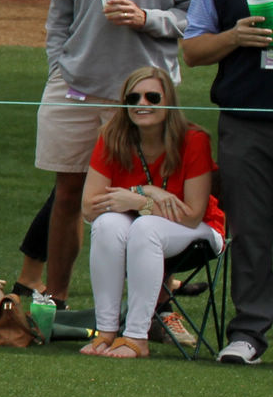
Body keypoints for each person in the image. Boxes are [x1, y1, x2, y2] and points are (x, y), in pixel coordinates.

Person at [29, 0, 198, 306]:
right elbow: (60, 5)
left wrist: (149, 19)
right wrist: (57, 63)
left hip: (145, 93)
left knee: (151, 199)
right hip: (76, 83)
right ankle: (55, 301)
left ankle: (154, 309)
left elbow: (193, 16)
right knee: (67, 195)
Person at [180, 0, 273, 365]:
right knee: (252, 228)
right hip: (247, 119)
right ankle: (250, 332)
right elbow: (192, 50)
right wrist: (234, 38)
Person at [77, 67, 224, 358]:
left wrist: (135, 200)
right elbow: (89, 206)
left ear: (168, 101)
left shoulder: (194, 139)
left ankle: (136, 337)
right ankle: (106, 332)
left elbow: (193, 214)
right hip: (142, 227)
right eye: (133, 98)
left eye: (152, 97)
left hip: (201, 232)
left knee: (146, 228)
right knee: (107, 224)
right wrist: (147, 192)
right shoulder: (111, 136)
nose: (142, 104)